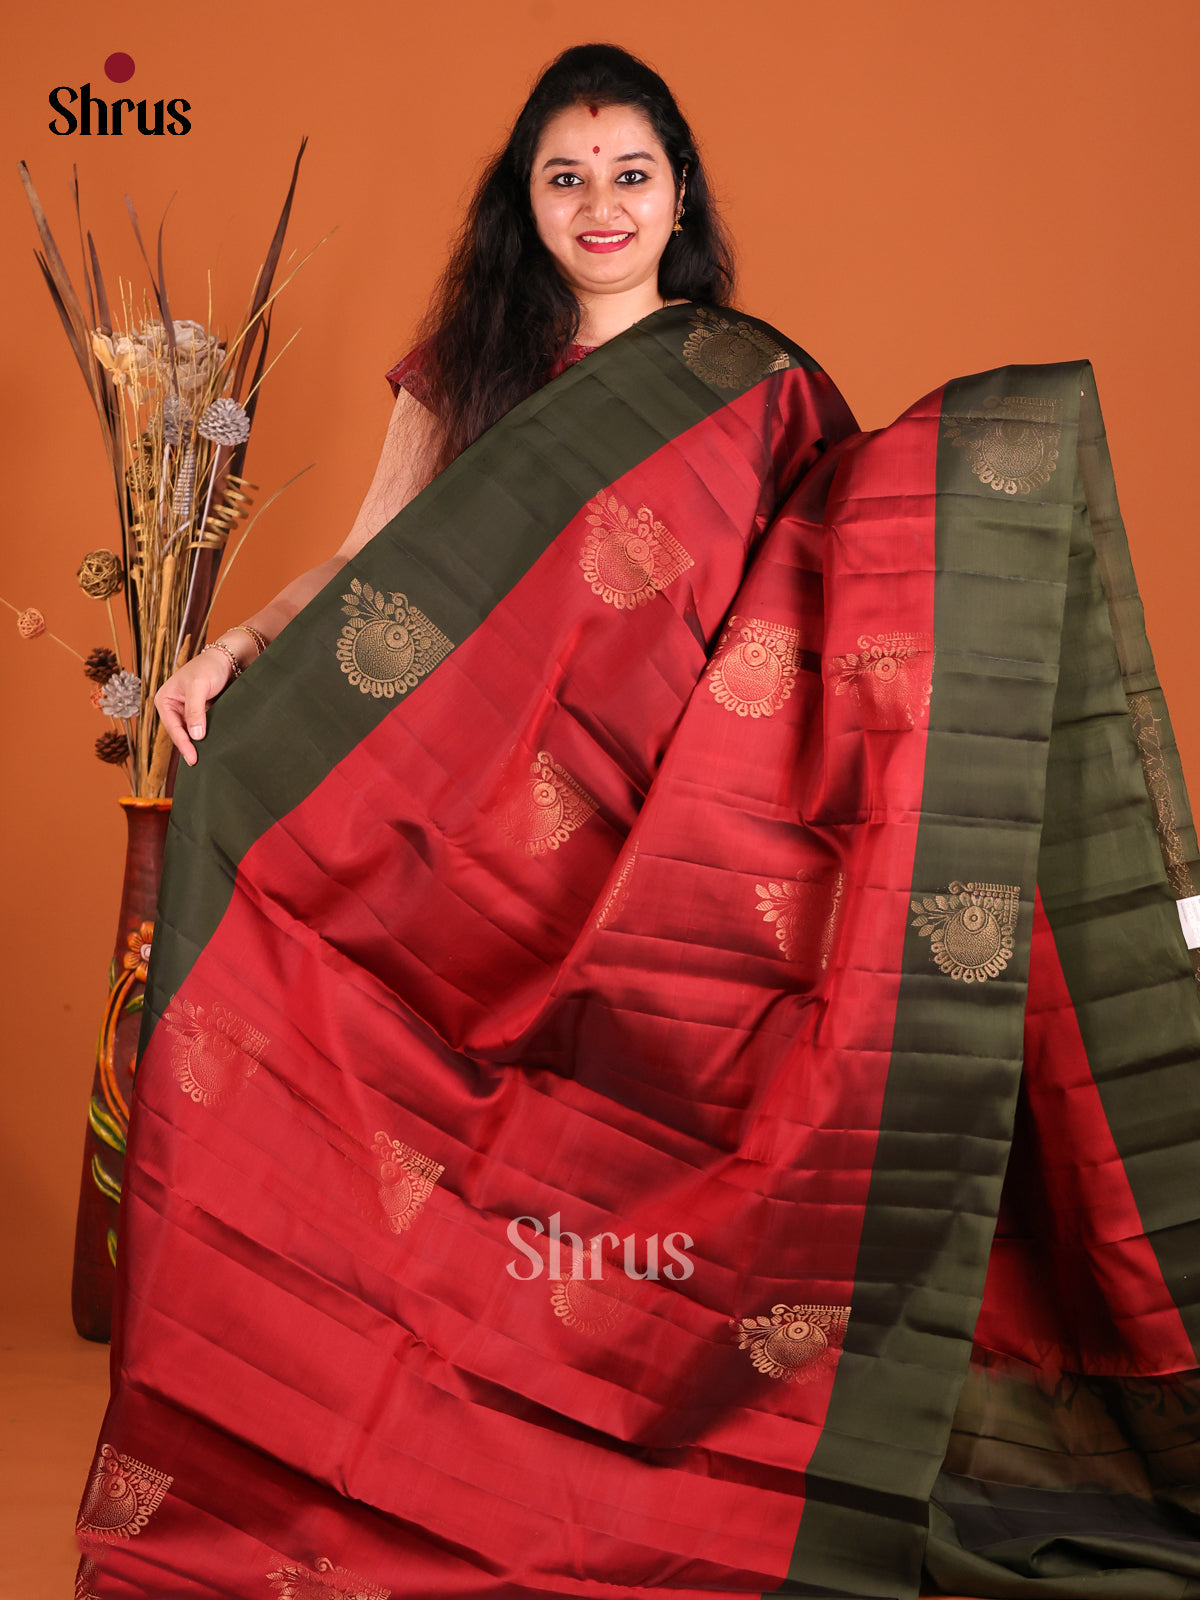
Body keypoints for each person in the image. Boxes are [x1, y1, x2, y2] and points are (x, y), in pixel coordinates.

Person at [77, 42, 1200, 1600]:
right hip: (470, 842)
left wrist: (990, 463)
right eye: (567, 177)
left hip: (669, 830)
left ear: (679, 198)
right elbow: (370, 558)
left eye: (630, 174)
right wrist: (236, 649)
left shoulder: (745, 378)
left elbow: (829, 574)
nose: (599, 204)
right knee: (243, 831)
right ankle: (311, 1411)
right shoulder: (468, 369)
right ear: (524, 204)